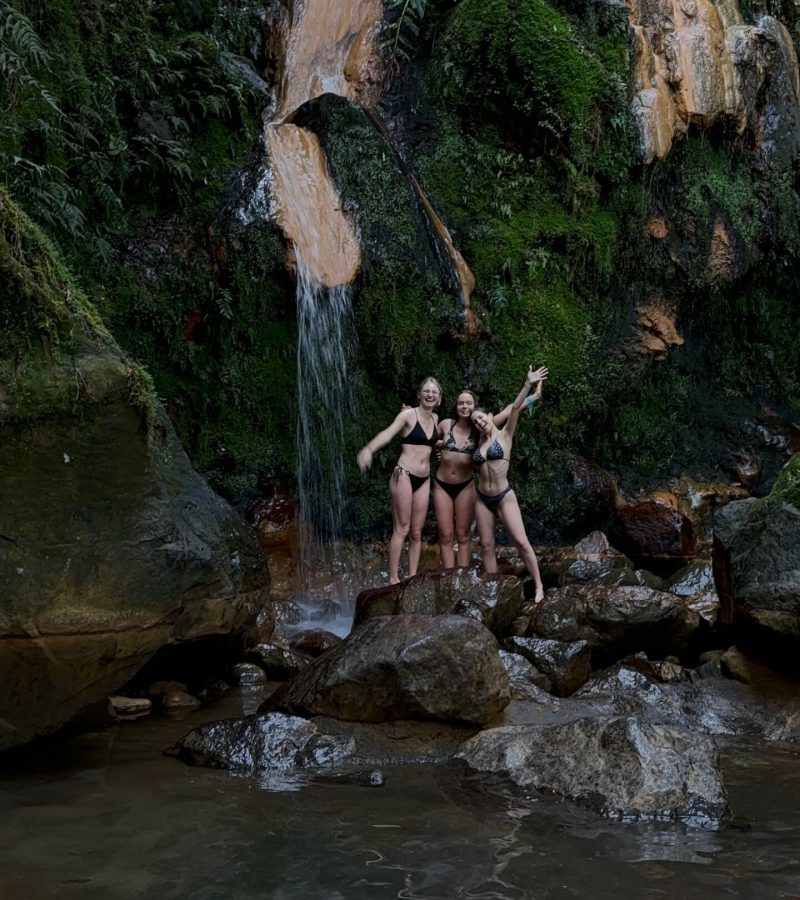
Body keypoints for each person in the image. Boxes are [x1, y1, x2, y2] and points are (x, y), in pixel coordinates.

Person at [471, 365, 548, 602]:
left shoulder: (506, 434)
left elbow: (515, 407)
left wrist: (529, 385)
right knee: (485, 545)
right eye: (474, 422)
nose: (479, 422)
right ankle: (494, 590)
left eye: (481, 417)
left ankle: (538, 587)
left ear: (489, 416)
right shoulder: (478, 446)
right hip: (482, 498)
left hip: (504, 496)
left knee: (522, 543)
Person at [357, 377, 442, 584]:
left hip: (424, 479)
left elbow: (430, 443)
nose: (430, 394)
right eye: (427, 391)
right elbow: (387, 434)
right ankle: (394, 578)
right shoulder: (407, 415)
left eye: (434, 392)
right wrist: (368, 450)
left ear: (439, 398)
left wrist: (445, 449)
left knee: (416, 532)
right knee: (401, 529)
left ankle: (412, 578)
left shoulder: (436, 419)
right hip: (403, 475)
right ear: (420, 394)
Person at [432, 391, 531, 568]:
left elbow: (511, 410)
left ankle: (461, 577)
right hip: (442, 485)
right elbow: (426, 438)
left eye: (468, 403)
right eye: (460, 403)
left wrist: (533, 397)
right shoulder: (446, 424)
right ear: (456, 406)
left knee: (463, 535)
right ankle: (448, 576)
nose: (464, 407)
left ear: (474, 406)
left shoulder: (480, 429)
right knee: (446, 535)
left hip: (465, 485)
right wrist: (441, 447)